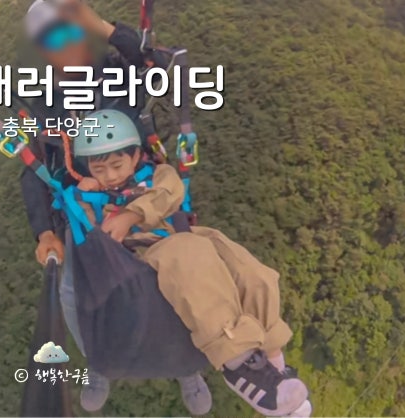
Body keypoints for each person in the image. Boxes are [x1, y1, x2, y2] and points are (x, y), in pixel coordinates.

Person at [20, 0, 212, 414]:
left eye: (72, 34)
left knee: (175, 273)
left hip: (142, 190)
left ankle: (189, 365)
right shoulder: (44, 104)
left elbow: (162, 63)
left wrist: (101, 25)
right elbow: (33, 168)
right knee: (73, 292)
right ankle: (101, 361)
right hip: (87, 206)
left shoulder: (118, 72)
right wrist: (45, 231)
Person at [70, 109, 311, 417]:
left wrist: (132, 213)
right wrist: (83, 198)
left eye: (117, 165)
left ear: (136, 156)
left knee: (251, 273)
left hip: (182, 234)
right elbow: (87, 233)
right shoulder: (93, 196)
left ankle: (274, 363)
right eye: (99, 169)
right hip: (145, 252)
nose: (110, 176)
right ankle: (237, 361)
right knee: (189, 254)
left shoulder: (157, 175)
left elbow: (170, 192)